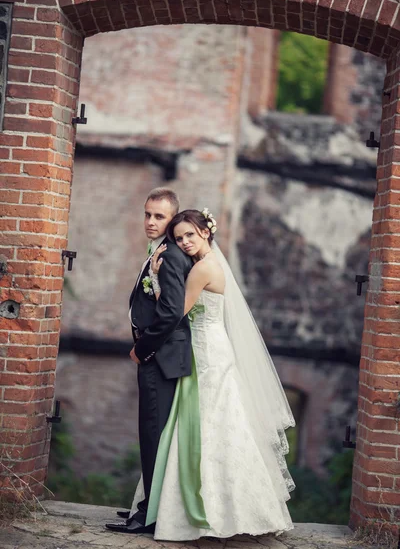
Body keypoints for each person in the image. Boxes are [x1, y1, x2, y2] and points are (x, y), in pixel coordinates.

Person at [129, 208, 296, 541]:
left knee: (211, 424)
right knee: (212, 424)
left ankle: (212, 513)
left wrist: (159, 280)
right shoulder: (210, 264)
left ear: (206, 231)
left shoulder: (204, 268)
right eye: (178, 238)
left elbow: (177, 311)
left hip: (208, 353)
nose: (184, 242)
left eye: (190, 234)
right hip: (208, 348)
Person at [106, 188, 193, 535]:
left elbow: (172, 311)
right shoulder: (159, 252)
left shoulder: (171, 255)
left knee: (154, 435)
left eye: (159, 216)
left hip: (160, 358)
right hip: (159, 356)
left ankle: (150, 516)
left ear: (173, 220)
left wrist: (144, 350)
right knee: (153, 434)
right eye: (147, 214)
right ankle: (147, 506)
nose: (151, 221)